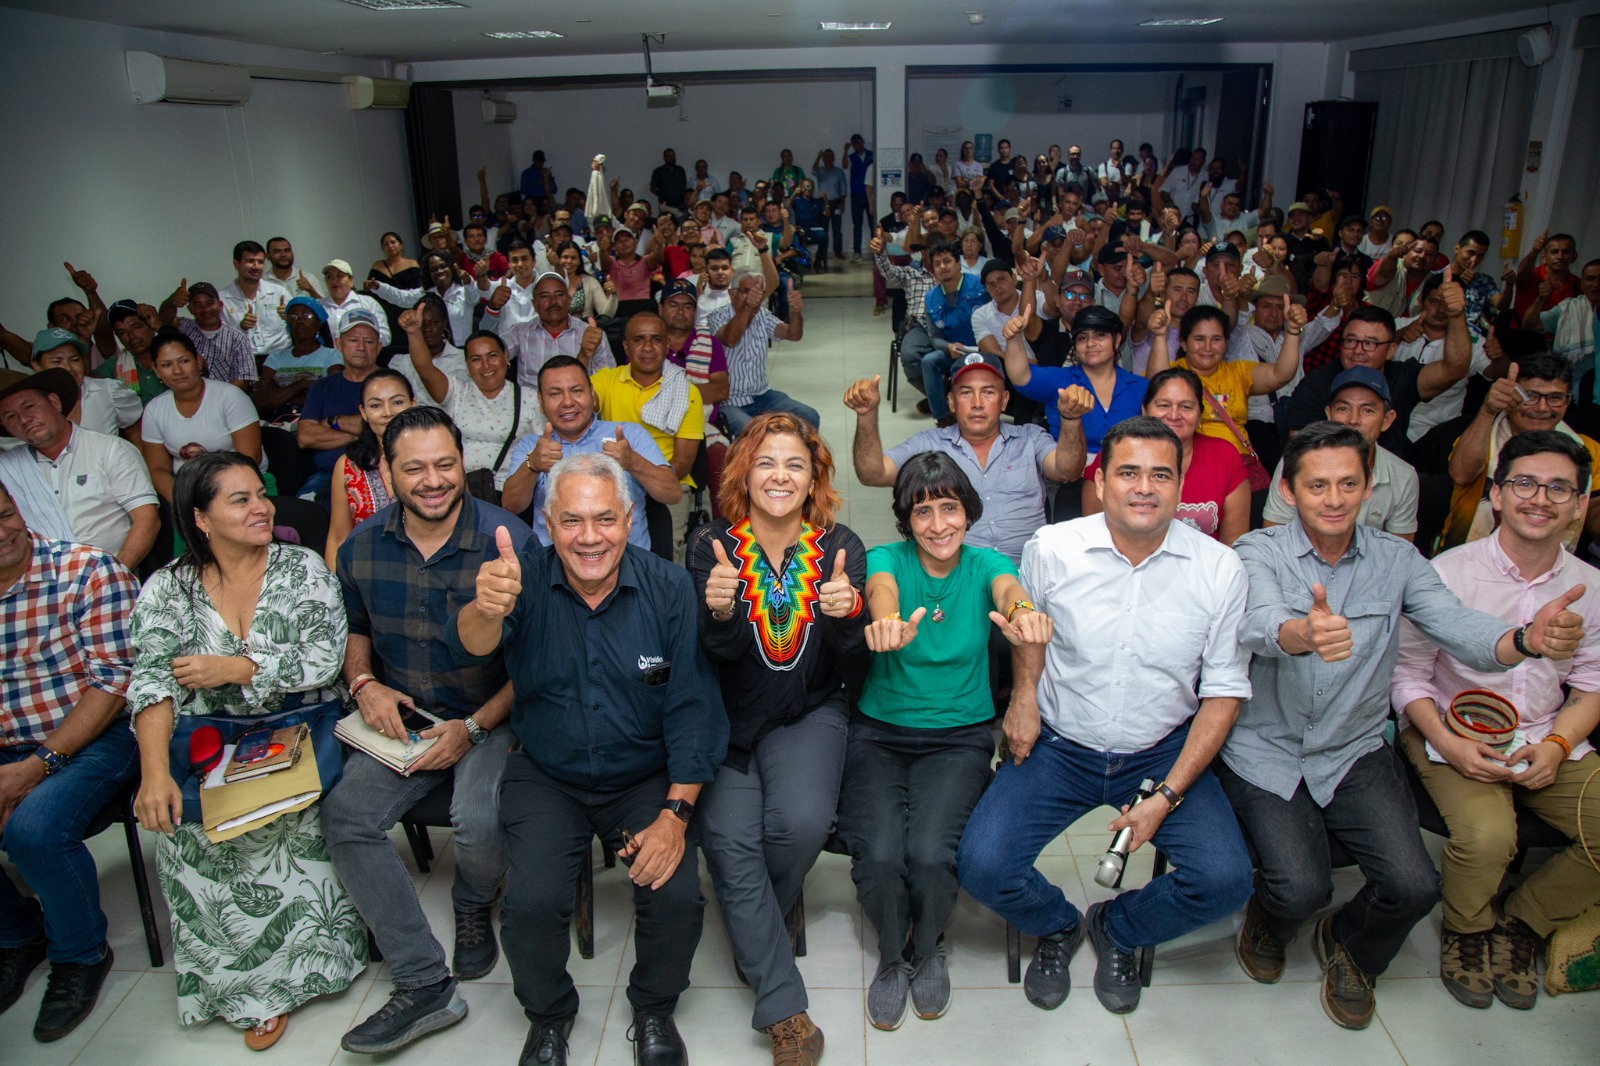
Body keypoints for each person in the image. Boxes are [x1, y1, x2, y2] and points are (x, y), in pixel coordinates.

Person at [1222, 421, 1587, 1031]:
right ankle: (1270, 919)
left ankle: (1354, 947)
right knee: (1300, 888)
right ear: (1288, 489)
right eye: (1317, 485)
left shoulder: (1399, 561)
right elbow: (1256, 622)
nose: (1333, 498)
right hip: (1267, 749)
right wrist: (1301, 633)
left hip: (1354, 749)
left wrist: (1524, 639)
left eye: (1347, 483)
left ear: (1369, 488)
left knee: (1416, 885)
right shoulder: (1256, 552)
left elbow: (1459, 628)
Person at [958, 417, 1254, 1018]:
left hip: (1160, 750)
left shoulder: (1220, 568)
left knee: (1225, 881)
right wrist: (1022, 700)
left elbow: (1223, 690)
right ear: (1099, 480)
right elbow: (1029, 636)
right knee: (983, 866)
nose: (1144, 487)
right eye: (1128, 472)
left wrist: (1167, 794)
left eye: (1160, 474)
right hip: (1060, 745)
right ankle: (1060, 926)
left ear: (1179, 485)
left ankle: (1120, 925)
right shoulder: (1053, 548)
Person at [449, 451, 729, 1066]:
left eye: (604, 519)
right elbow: (473, 642)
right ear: (548, 525)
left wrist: (675, 816)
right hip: (548, 773)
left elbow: (692, 708)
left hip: (643, 775)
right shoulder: (519, 578)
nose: (589, 537)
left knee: (676, 897)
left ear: (629, 519)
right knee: (528, 906)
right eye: (571, 521)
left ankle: (654, 1009)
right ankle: (550, 1016)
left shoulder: (670, 589)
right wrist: (484, 607)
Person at [126, 452, 366, 1050]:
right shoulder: (169, 588)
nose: (262, 507)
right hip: (211, 744)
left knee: (280, 821)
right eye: (240, 500)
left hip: (298, 730)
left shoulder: (302, 568)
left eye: (261, 494)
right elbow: (153, 680)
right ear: (201, 518)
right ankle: (237, 986)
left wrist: (236, 667)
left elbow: (323, 659)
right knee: (185, 829)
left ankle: (303, 970)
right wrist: (154, 774)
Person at [325, 406, 531, 1055]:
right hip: (403, 718)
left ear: (461, 461)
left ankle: (473, 899)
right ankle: (422, 979)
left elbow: (539, 668)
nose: (434, 480)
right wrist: (364, 683)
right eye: (414, 468)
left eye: (445, 464)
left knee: (478, 817)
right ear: (388, 473)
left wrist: (472, 727)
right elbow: (356, 630)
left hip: (491, 715)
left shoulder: (508, 541)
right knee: (344, 818)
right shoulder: (361, 546)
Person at [840, 452, 1051, 1031]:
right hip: (880, 733)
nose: (937, 525)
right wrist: (884, 622)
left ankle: (928, 944)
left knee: (931, 852)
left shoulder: (986, 565)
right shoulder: (886, 558)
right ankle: (892, 951)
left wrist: (1025, 612)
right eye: (922, 511)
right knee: (881, 854)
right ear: (906, 519)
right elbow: (880, 591)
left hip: (958, 738)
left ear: (968, 512)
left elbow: (1011, 593)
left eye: (949, 508)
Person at [1392, 430, 1600, 1012]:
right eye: (1525, 484)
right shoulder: (1446, 573)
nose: (1541, 499)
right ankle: (1468, 929)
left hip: (1546, 735)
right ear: (1498, 496)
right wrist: (1450, 746)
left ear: (1580, 504)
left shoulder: (1591, 586)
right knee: (1488, 837)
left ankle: (1524, 923)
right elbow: (1407, 678)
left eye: (1560, 488)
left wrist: (1558, 744)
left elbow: (1592, 684)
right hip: (1448, 730)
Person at [688, 413, 868, 1063]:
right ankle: (785, 1010)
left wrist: (850, 621)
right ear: (743, 471)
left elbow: (855, 667)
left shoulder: (840, 546)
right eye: (766, 462)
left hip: (809, 713)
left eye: (796, 463)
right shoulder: (711, 546)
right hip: (727, 720)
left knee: (801, 821)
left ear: (814, 475)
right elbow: (719, 656)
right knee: (731, 841)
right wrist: (719, 612)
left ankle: (752, 914)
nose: (780, 475)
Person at [0, 478, 139, 1044]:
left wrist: (31, 770)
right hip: (8, 743)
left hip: (93, 736)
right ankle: (16, 934)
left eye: (5, 513)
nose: (4, 531)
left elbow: (114, 683)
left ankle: (79, 954)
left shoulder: (84, 570)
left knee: (33, 830)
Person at [847, 353, 1088, 565]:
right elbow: (873, 474)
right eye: (965, 393)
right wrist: (867, 416)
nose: (977, 403)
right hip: (959, 578)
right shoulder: (928, 444)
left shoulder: (1030, 438)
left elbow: (1067, 470)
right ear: (951, 402)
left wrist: (1071, 420)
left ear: (1004, 400)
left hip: (1027, 570)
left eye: (988, 392)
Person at [502, 356, 680, 554]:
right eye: (555, 394)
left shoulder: (629, 436)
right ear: (541, 402)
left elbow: (672, 494)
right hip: (554, 565)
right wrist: (532, 464)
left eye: (577, 391)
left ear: (592, 395)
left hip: (627, 563)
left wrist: (633, 462)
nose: (568, 402)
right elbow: (510, 506)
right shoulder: (532, 446)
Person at [0, 368, 159, 567]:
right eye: (11, 417)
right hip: (40, 586)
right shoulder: (7, 468)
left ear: (54, 403)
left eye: (29, 406)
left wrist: (112, 577)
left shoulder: (110, 449)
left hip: (109, 576)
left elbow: (147, 520)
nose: (24, 419)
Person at [1442, 354, 1600, 552]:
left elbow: (1594, 512)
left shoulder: (1587, 450)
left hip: (1549, 571)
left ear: (1568, 401)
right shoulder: (1481, 437)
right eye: (1530, 396)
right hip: (1467, 558)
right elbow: (1461, 474)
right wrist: (1488, 410)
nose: (1542, 408)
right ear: (1510, 396)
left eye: (1555, 398)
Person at [1082, 367, 1249, 544]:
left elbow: (1233, 545)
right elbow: (1096, 536)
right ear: (1145, 410)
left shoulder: (1224, 456)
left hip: (1203, 569)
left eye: (1186, 407)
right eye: (1164, 405)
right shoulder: (1117, 452)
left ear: (1200, 415)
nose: (1174, 415)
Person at [1261, 367, 1418, 540]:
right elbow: (1273, 539)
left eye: (1367, 410)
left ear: (1387, 420)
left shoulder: (1403, 476)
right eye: (1343, 409)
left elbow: (1400, 554)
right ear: (1329, 414)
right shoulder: (1297, 461)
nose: (1353, 420)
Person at [591, 313, 701, 559]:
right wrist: (585, 354)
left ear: (667, 345)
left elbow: (682, 463)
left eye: (656, 339)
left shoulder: (686, 391)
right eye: (639, 339)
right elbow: (574, 402)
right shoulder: (607, 380)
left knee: (669, 553)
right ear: (626, 346)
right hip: (613, 480)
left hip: (669, 481)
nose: (648, 347)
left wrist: (648, 482)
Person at [400, 316, 542, 505]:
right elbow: (425, 369)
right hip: (460, 493)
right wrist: (414, 333)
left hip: (509, 498)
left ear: (505, 357)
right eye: (476, 359)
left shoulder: (530, 398)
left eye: (492, 356)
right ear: (467, 366)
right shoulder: (457, 393)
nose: (486, 366)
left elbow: (542, 449)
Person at [1146, 304, 1304, 459]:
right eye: (1199, 339)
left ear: (1225, 343)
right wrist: (1160, 336)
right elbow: (1156, 385)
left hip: (1237, 464)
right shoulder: (1172, 375)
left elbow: (1281, 374)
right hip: (1189, 464)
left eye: (1216, 339)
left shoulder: (1238, 372)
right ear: (1183, 343)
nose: (1208, 347)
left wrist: (1293, 331)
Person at [139, 328, 263, 504]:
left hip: (242, 487)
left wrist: (212, 502)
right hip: (187, 493)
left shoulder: (230, 396)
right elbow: (157, 469)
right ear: (156, 370)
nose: (177, 371)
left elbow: (250, 458)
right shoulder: (154, 410)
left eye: (184, 361)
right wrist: (182, 502)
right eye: (166, 365)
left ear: (198, 360)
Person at [1002, 302, 1144, 454]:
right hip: (1069, 471)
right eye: (1082, 338)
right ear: (1075, 345)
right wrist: (1013, 339)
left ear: (1116, 340)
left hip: (1127, 471)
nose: (1090, 343)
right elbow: (1020, 377)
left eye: (1100, 335)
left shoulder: (1140, 386)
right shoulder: (1060, 380)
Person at [709, 269, 817, 434]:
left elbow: (793, 334)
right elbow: (730, 339)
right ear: (732, 294)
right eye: (746, 292)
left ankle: (796, 458)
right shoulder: (716, 316)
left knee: (809, 416)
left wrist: (795, 312)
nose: (753, 298)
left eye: (757, 293)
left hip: (762, 396)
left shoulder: (762, 315)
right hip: (729, 401)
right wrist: (747, 308)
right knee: (754, 433)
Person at [324, 369, 413, 569]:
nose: (387, 412)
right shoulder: (348, 466)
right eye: (375, 405)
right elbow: (339, 538)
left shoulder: (434, 459)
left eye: (397, 402)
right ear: (363, 412)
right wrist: (335, 594)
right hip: (365, 575)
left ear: (413, 405)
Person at [298, 309, 386, 500]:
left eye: (369, 342)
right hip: (326, 476)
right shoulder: (322, 387)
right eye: (353, 340)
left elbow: (389, 429)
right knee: (303, 513)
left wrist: (332, 422)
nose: (361, 347)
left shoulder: (391, 383)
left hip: (379, 473)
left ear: (379, 347)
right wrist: (364, 433)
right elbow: (305, 436)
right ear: (338, 344)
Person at [499, 272, 618, 388]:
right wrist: (493, 309)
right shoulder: (520, 332)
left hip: (578, 405)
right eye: (545, 296)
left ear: (569, 300)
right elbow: (491, 351)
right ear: (534, 304)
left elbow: (608, 384)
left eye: (559, 295)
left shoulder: (591, 334)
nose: (553, 301)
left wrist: (585, 356)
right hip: (531, 406)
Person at [29, 328, 141, 439]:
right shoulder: (26, 405)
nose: (68, 368)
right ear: (37, 366)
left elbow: (136, 431)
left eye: (74, 359)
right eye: (56, 361)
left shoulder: (108, 390)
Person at [157, 280, 258, 391]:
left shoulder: (238, 339)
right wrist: (171, 302)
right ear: (190, 309)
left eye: (210, 303)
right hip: (188, 399)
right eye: (197, 305)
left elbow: (243, 380)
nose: (205, 309)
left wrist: (213, 399)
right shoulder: (184, 329)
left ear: (220, 305)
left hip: (225, 402)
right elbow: (165, 320)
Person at [255, 296, 342, 421]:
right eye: (293, 317)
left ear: (319, 322)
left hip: (316, 421)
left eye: (306, 315)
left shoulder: (332, 356)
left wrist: (281, 393)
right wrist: (302, 385)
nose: (299, 321)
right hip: (278, 423)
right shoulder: (275, 358)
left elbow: (332, 398)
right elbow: (261, 402)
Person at [221, 240, 295, 361]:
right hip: (245, 359)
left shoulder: (279, 292)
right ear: (236, 264)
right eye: (250, 261)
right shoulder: (222, 299)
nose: (256, 266)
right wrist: (241, 327)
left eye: (260, 262)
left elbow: (300, 325)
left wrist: (290, 317)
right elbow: (220, 337)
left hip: (281, 357)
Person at [846, 135, 875, 260]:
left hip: (869, 195)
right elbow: (844, 165)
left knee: (872, 224)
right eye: (853, 144)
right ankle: (857, 251)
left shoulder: (872, 155)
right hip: (856, 195)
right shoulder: (852, 157)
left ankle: (875, 251)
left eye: (857, 143)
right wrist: (845, 150)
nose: (856, 146)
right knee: (857, 224)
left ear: (862, 142)